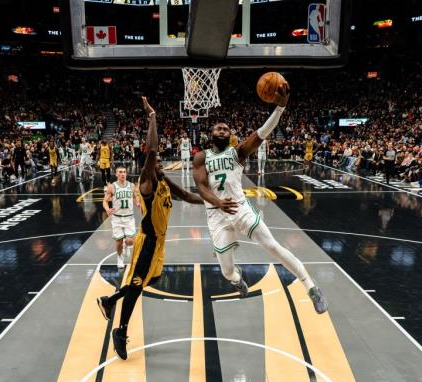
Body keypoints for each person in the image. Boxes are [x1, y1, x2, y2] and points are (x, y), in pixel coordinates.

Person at [192, 82, 328, 314]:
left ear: (231, 135)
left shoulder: (238, 152)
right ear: (211, 134)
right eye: (218, 129)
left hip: (240, 209)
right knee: (226, 271)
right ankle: (237, 279)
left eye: (226, 129)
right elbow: (202, 187)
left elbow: (262, 133)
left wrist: (280, 108)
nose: (222, 131)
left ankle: (311, 286)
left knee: (272, 246)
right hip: (217, 216)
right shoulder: (201, 157)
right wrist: (217, 202)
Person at [96, 97, 204, 360]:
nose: (158, 162)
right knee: (135, 285)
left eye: (159, 162)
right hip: (148, 241)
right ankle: (120, 331)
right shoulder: (146, 185)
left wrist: (216, 203)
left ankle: (110, 301)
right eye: (154, 161)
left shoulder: (165, 183)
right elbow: (152, 149)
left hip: (160, 243)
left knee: (152, 279)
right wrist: (152, 115)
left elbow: (189, 197)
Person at [103, 166, 139, 269]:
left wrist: (137, 202)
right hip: (117, 218)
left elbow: (135, 196)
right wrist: (107, 209)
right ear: (116, 174)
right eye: (120, 172)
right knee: (118, 242)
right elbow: (105, 201)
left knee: (130, 241)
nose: (123, 174)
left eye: (124, 172)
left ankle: (127, 245)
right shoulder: (112, 187)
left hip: (129, 218)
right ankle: (120, 258)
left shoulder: (132, 186)